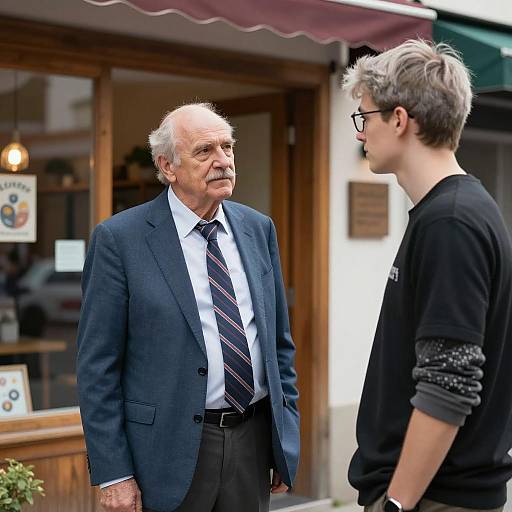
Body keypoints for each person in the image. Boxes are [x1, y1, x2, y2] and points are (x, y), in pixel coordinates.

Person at [76, 103, 299, 512]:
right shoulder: (120, 240)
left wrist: (284, 439)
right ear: (168, 165)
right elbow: (97, 369)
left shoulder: (257, 228)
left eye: (227, 147)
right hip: (164, 454)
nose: (223, 161)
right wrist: (114, 473)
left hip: (251, 442)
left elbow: (278, 344)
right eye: (204, 151)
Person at [343, 40, 512, 512]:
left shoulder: (450, 222)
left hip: (432, 498)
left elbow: (449, 383)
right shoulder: (451, 212)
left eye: (365, 118)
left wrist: (396, 503)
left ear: (399, 120)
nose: (361, 134)